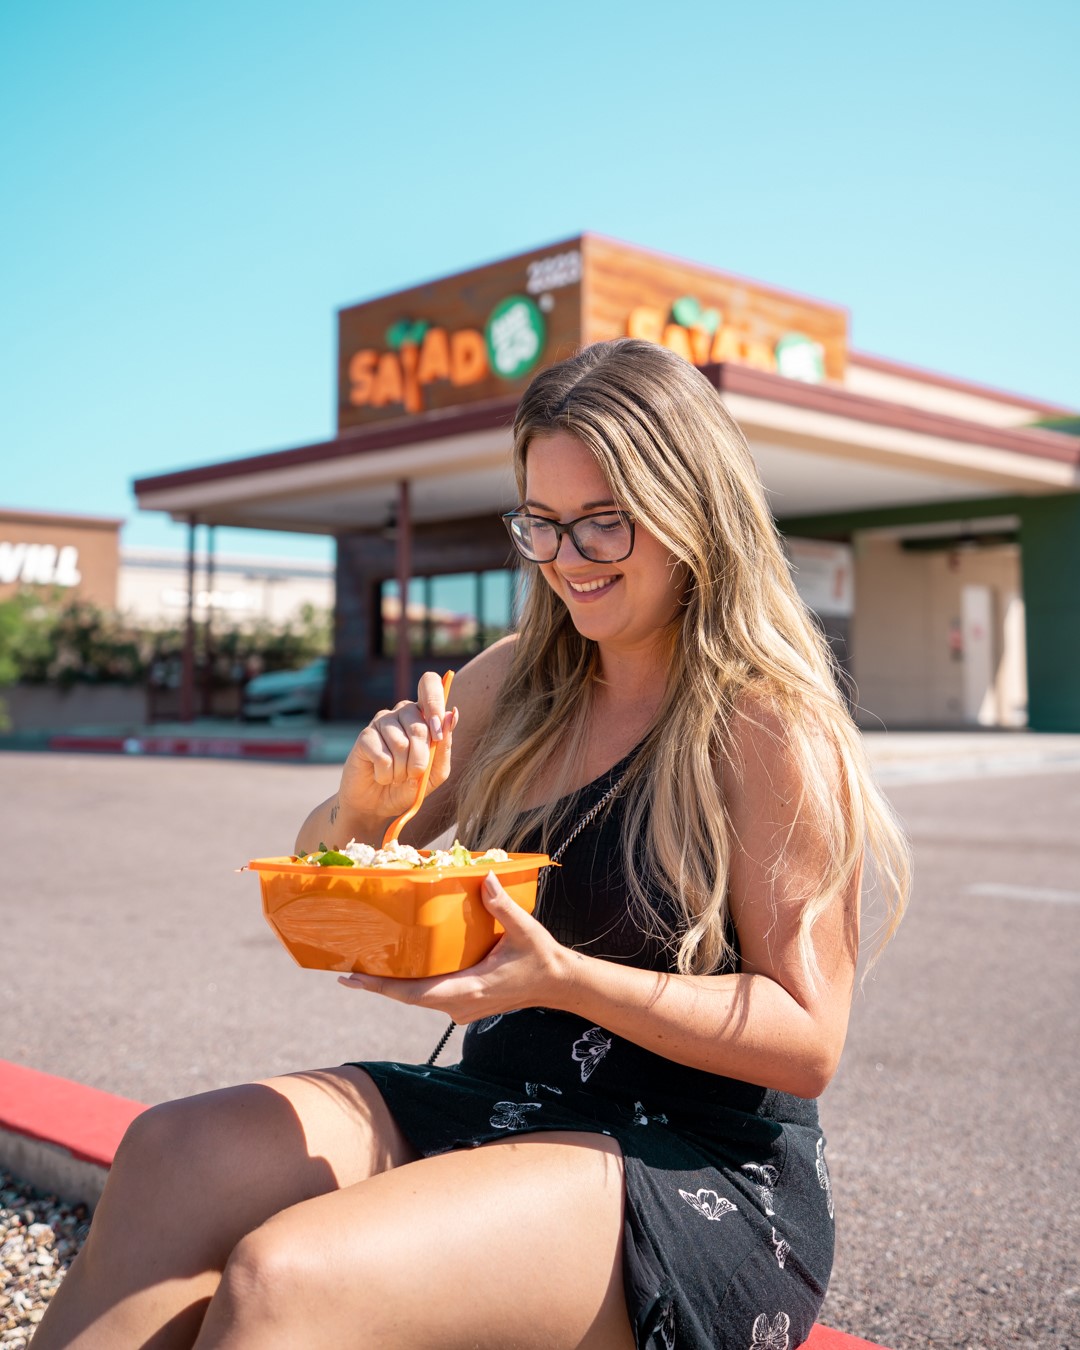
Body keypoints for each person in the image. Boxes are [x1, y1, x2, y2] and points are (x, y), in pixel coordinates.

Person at [36, 338, 910, 1350]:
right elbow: (320, 887)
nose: (567, 560)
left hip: (697, 1166)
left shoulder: (767, 723)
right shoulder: (515, 680)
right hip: (501, 1101)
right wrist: (363, 810)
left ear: (693, 512)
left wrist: (566, 981)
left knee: (284, 1278)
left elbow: (807, 1041)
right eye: (541, 523)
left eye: (604, 522)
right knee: (172, 1151)